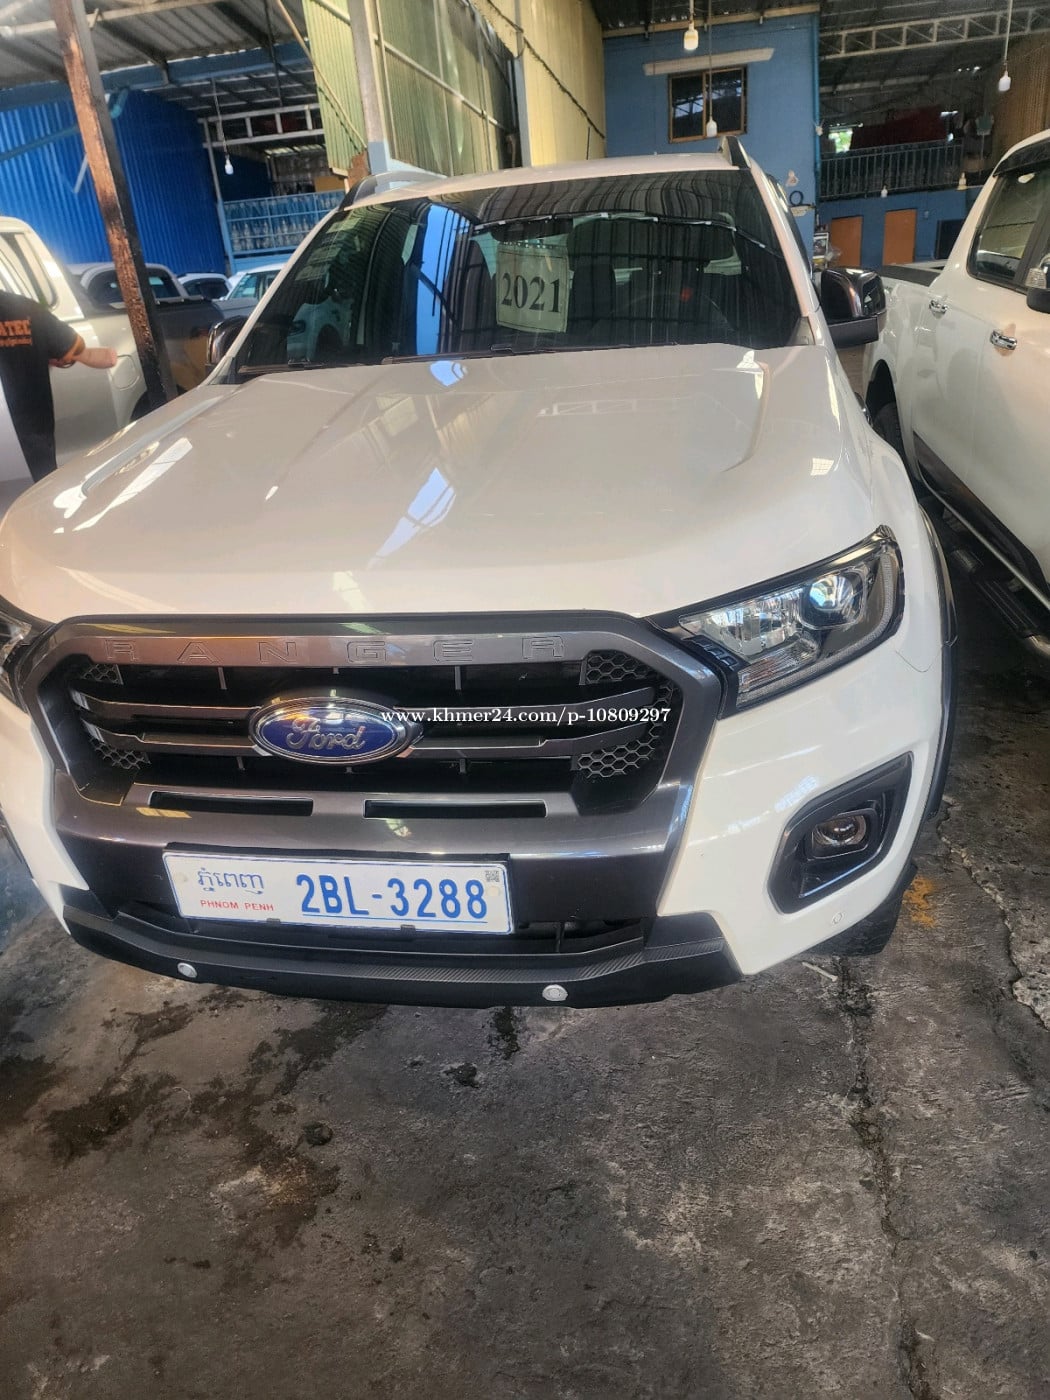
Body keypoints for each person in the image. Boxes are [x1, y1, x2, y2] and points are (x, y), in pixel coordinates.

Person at [0, 288, 119, 483]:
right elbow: (81, 351)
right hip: (33, 447)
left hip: (24, 449)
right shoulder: (25, 310)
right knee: (38, 497)